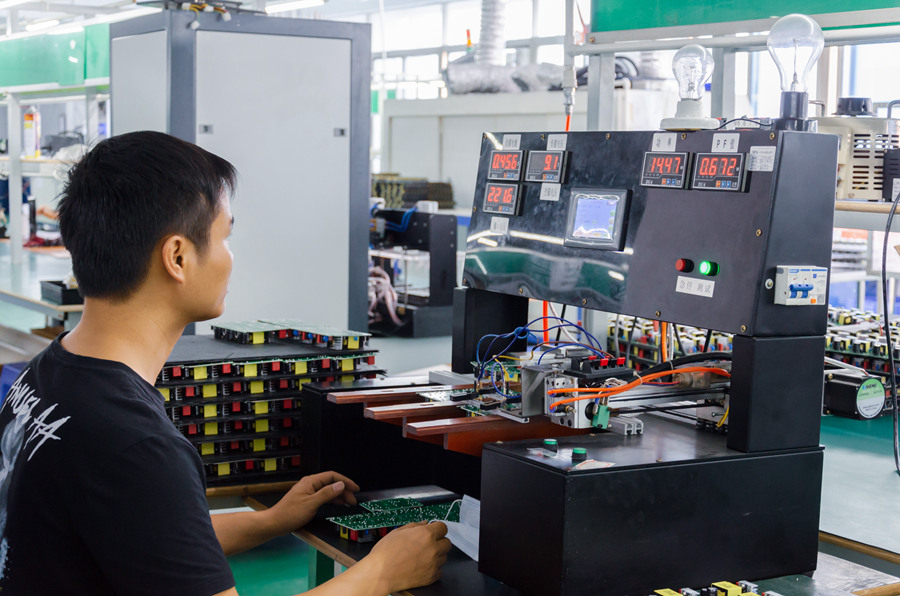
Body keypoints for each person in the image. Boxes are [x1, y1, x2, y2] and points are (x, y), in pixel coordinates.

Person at [0, 131, 451, 595]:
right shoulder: (136, 445)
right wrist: (381, 573)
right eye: (225, 236)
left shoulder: (44, 375)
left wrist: (271, 521)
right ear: (178, 257)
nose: (230, 257)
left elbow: (143, 534)